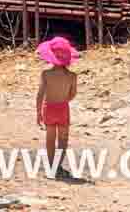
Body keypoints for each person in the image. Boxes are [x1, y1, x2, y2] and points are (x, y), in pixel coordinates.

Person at [35, 36, 79, 177]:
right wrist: (64, 99)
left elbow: (40, 94)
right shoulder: (72, 76)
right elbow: (73, 94)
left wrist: (38, 112)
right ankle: (57, 166)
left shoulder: (46, 74)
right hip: (63, 108)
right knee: (63, 139)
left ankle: (50, 165)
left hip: (49, 107)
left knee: (50, 138)